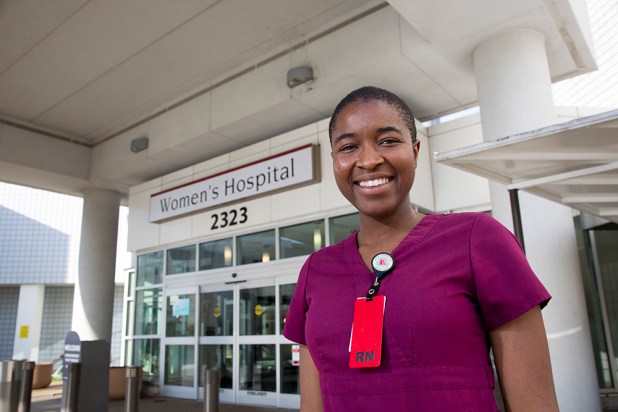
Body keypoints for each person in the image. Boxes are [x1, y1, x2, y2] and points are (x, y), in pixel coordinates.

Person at [282, 86, 558, 411]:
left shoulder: (478, 239)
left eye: (388, 141)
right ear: (335, 161)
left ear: (415, 151)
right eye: (349, 146)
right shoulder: (316, 270)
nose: (369, 160)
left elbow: (535, 403)